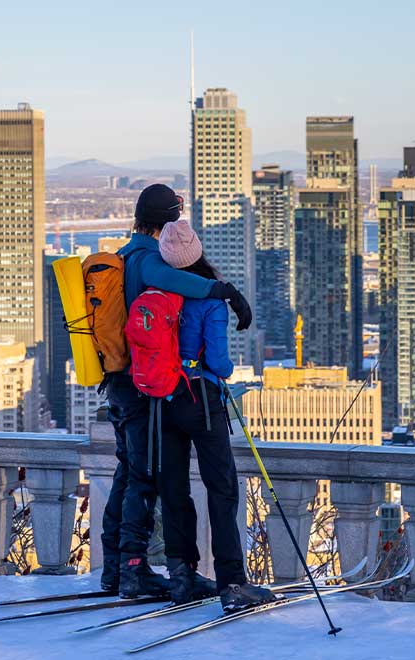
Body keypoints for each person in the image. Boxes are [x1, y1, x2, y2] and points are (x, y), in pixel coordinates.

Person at [100, 184, 254, 598]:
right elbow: (171, 279)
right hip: (146, 386)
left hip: (121, 382)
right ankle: (133, 571)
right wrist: (222, 290)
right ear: (168, 222)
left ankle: (117, 568)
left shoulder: (124, 254)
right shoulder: (150, 260)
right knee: (144, 479)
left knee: (130, 474)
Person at [156, 220, 276, 610]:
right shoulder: (210, 300)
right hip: (202, 401)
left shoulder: (157, 291)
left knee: (173, 489)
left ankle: (180, 575)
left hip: (163, 399)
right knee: (221, 489)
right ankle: (232, 583)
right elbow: (222, 364)